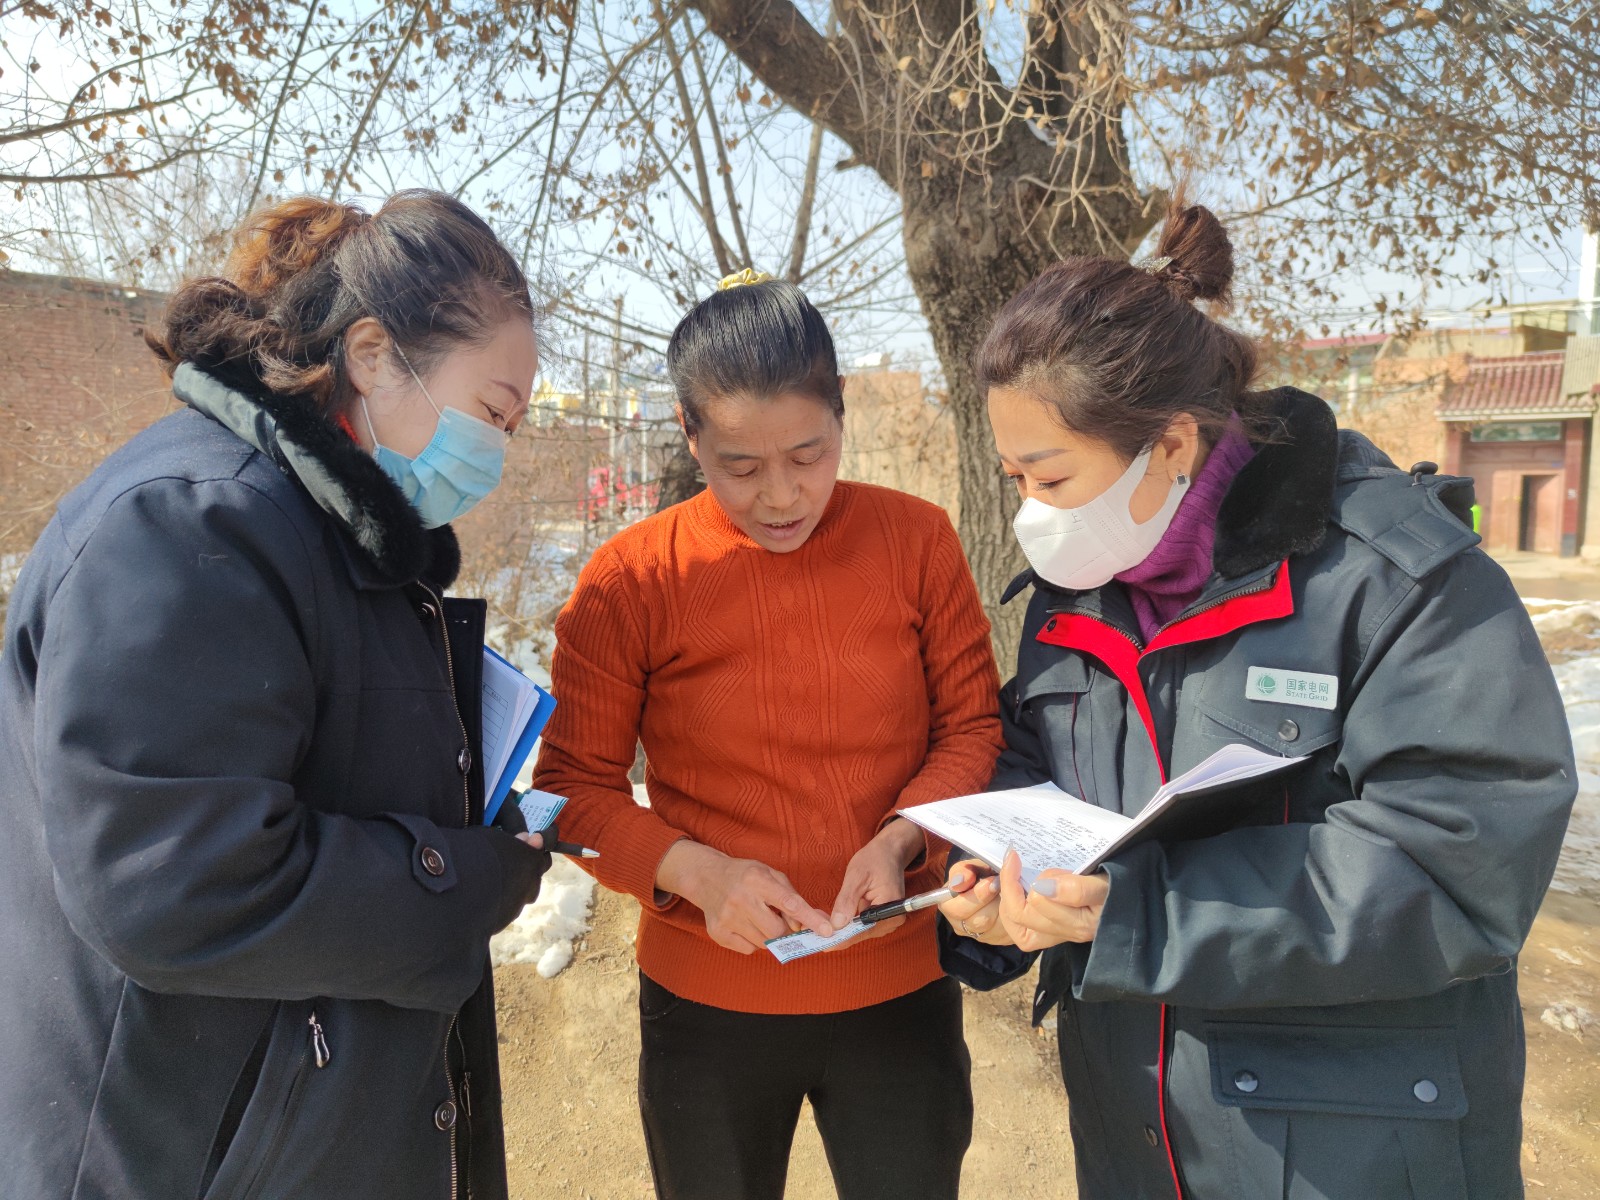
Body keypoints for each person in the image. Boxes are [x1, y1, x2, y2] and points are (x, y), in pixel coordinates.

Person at [938, 201, 1576, 1199]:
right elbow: (1036, 755)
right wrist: (987, 870)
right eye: (1011, 474)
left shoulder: (1389, 580)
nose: (1030, 510)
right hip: (1135, 1141)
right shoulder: (1082, 588)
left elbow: (1459, 859)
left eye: (1049, 475)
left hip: (1347, 1148)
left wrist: (1134, 917)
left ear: (1173, 445)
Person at [0, 191, 553, 1200]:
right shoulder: (192, 525)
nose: (497, 456)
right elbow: (177, 881)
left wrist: (482, 818)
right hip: (183, 1153)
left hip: (301, 1130)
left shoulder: (344, 542)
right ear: (377, 355)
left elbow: (346, 782)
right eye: (490, 413)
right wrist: (464, 878)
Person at [534, 272, 1004, 1200]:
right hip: (707, 1000)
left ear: (840, 419)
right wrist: (698, 876)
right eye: (740, 468)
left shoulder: (917, 540)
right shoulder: (631, 580)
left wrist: (903, 834)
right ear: (689, 434)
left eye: (809, 453)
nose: (782, 495)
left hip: (896, 986)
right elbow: (568, 792)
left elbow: (972, 722)